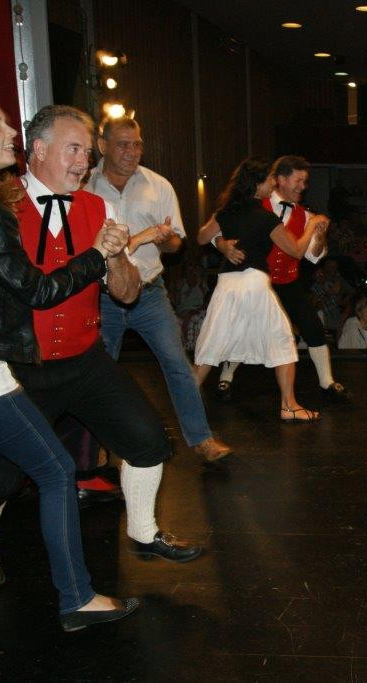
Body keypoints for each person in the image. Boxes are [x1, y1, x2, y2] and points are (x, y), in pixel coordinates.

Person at [0, 90, 139, 631]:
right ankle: (76, 599)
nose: (12, 133)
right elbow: (38, 291)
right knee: (57, 471)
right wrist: (97, 256)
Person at [0, 104, 201, 595]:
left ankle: (143, 531)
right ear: (38, 150)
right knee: (3, 472)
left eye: (87, 153)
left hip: (85, 357)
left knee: (148, 438)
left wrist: (115, 257)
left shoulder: (98, 208)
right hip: (21, 364)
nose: (83, 163)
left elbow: (127, 295)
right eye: (73, 150)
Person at [85, 117, 231, 462]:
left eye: (137, 144)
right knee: (98, 372)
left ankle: (202, 439)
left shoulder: (158, 185)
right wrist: (138, 238)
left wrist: (164, 240)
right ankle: (98, 448)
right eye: (123, 144)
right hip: (101, 297)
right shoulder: (84, 186)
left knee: (178, 364)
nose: (131, 152)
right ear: (102, 146)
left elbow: (176, 244)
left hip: (150, 292)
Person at [194, 157, 324, 422]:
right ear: (257, 184)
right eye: (269, 180)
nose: (273, 184)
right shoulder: (265, 218)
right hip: (253, 283)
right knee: (283, 341)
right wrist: (312, 225)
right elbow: (297, 250)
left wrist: (221, 245)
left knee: (211, 344)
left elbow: (202, 237)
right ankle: (289, 406)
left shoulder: (226, 211)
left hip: (226, 284)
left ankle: (185, 399)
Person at [213, 155, 347, 401]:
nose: (303, 186)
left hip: (287, 281)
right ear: (281, 180)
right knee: (242, 327)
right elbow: (217, 230)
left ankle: (327, 382)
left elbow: (314, 256)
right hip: (256, 279)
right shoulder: (253, 204)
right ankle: (226, 377)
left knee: (311, 325)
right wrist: (221, 244)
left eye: (305, 181)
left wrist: (319, 234)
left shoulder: (305, 216)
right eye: (299, 180)